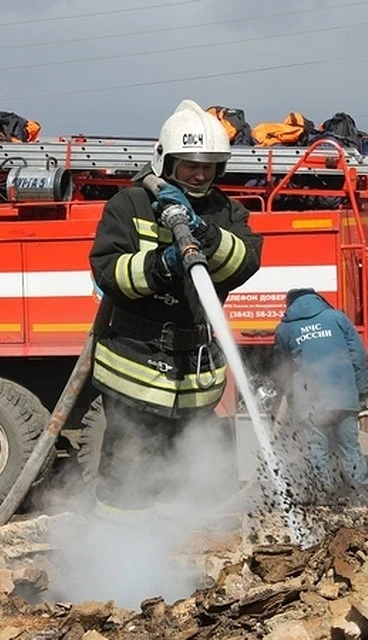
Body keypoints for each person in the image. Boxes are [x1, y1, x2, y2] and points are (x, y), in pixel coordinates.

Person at [88, 99, 263, 520]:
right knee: (127, 475)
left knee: (188, 474)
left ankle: (178, 560)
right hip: (134, 369)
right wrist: (161, 263)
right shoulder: (129, 206)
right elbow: (108, 273)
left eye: (209, 165)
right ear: (167, 161)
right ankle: (116, 558)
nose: (201, 174)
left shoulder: (226, 211)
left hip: (195, 375)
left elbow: (245, 262)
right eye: (190, 165)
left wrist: (202, 231)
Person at [272, 288, 368, 506]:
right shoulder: (337, 318)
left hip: (311, 401)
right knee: (350, 448)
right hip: (344, 396)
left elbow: (281, 365)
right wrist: (362, 391)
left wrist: (286, 393)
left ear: (289, 304)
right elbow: (359, 355)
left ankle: (325, 500)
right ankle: (359, 498)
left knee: (318, 451)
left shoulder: (285, 329)